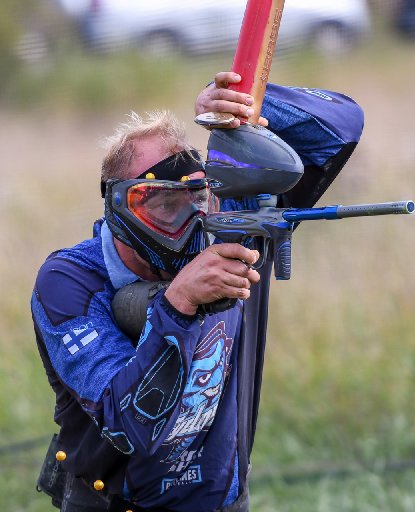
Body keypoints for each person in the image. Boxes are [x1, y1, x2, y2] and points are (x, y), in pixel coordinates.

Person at [31, 71, 364, 512]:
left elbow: (341, 126)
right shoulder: (70, 281)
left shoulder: (230, 229)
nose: (188, 224)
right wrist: (179, 303)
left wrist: (242, 105)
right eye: (164, 205)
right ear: (118, 206)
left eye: (197, 199)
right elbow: (127, 426)